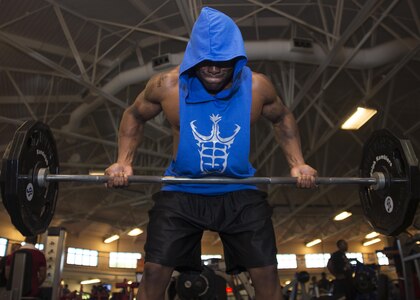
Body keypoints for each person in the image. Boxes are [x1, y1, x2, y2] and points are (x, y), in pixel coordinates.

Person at [106, 7, 317, 300]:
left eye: (223, 62)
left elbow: (282, 118)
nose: (215, 69)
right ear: (193, 56)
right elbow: (134, 114)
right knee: (153, 273)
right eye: (206, 62)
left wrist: (298, 164)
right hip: (181, 189)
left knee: (267, 275)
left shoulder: (257, 87)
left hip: (239, 190)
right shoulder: (168, 85)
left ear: (237, 58)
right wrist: (123, 162)